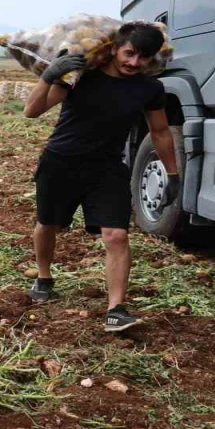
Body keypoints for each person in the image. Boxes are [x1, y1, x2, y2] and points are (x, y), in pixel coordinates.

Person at [23, 22, 176, 332]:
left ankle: (116, 309)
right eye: (129, 54)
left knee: (117, 235)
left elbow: (160, 132)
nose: (134, 63)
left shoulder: (150, 89)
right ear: (115, 49)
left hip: (106, 167)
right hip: (60, 162)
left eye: (143, 57)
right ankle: (44, 275)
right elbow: (32, 111)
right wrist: (51, 74)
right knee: (47, 224)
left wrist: (172, 173)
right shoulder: (82, 75)